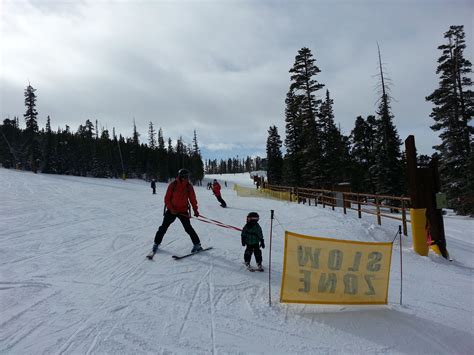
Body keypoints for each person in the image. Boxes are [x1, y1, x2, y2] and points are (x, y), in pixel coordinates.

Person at [147, 169, 202, 259]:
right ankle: (156, 243)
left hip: (183, 211)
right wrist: (172, 209)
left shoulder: (189, 186)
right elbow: (167, 199)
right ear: (181, 176)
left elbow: (192, 199)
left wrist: (195, 210)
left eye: (188, 176)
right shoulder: (173, 185)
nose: (187, 178)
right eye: (185, 176)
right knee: (163, 227)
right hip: (172, 210)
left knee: (188, 228)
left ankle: (197, 245)